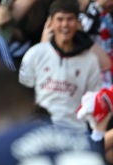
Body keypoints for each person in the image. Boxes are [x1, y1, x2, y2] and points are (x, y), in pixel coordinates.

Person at [18, 0, 101, 131]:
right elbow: (23, 94)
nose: (65, 25)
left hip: (75, 131)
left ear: (78, 23)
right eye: (60, 19)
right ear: (50, 22)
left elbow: (93, 101)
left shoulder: (90, 60)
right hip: (41, 128)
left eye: (70, 19)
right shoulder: (35, 54)